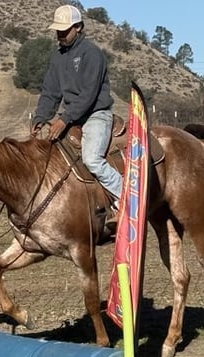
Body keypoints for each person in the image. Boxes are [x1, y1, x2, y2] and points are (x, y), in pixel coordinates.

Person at [31, 5, 122, 210]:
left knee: (92, 159)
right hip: (73, 117)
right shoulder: (58, 57)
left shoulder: (92, 54)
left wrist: (64, 119)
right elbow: (50, 91)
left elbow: (89, 94)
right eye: (58, 30)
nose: (60, 35)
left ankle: (127, 199)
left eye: (64, 30)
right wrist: (40, 117)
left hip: (96, 114)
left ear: (78, 27)